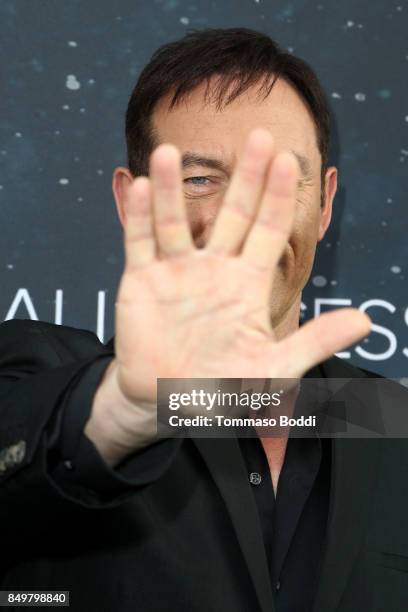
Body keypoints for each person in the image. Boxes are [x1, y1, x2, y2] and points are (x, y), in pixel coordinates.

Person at [0, 27, 407, 612]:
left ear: (323, 205)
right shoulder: (55, 377)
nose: (235, 218)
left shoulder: (394, 419)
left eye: (279, 180)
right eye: (198, 179)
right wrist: (124, 411)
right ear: (130, 200)